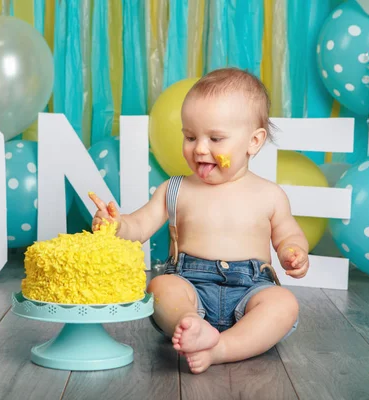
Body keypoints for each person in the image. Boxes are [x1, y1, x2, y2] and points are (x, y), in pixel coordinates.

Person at [89, 67, 308, 374]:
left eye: (215, 138)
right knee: (161, 287)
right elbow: (138, 226)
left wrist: (292, 252)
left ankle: (222, 347)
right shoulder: (175, 189)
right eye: (190, 137)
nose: (200, 148)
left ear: (254, 142)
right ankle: (188, 324)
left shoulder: (269, 194)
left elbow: (288, 234)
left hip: (251, 290)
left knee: (283, 304)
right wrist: (116, 226)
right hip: (189, 285)